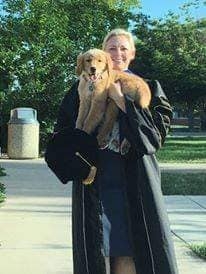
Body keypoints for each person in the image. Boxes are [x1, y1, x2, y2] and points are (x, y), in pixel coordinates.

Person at [55, 29, 179, 274]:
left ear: (132, 53)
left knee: (131, 247)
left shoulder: (150, 88)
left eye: (124, 48)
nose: (118, 53)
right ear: (103, 54)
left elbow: (154, 139)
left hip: (134, 182)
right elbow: (63, 133)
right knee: (97, 250)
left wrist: (122, 100)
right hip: (94, 181)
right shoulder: (80, 87)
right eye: (112, 48)